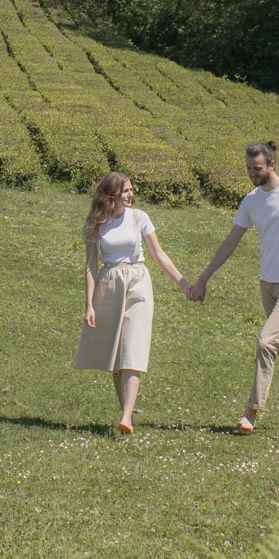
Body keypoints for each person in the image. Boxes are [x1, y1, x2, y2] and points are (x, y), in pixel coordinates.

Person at [189, 141, 279, 435]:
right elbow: (231, 242)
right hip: (267, 283)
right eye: (248, 169)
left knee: (266, 340)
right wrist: (204, 277)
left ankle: (251, 412)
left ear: (271, 165)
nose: (252, 174)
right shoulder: (251, 201)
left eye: (257, 169)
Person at [74, 171, 192, 434]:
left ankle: (127, 416)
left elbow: (158, 254)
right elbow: (91, 265)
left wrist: (183, 283)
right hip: (109, 283)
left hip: (138, 281)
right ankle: (126, 412)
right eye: (125, 191)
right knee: (115, 354)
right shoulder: (96, 224)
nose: (130, 195)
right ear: (110, 195)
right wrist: (89, 304)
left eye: (130, 190)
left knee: (133, 347)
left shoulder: (140, 218)